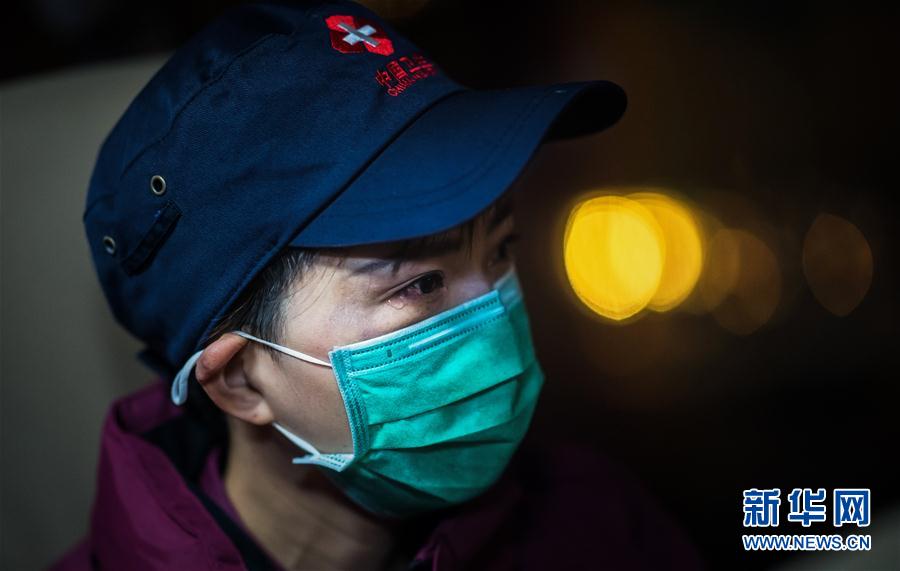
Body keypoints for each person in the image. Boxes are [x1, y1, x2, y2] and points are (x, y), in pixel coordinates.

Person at [53, 1, 703, 569]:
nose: (496, 316)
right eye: (421, 284)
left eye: (502, 249)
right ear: (242, 380)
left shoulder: (594, 519)